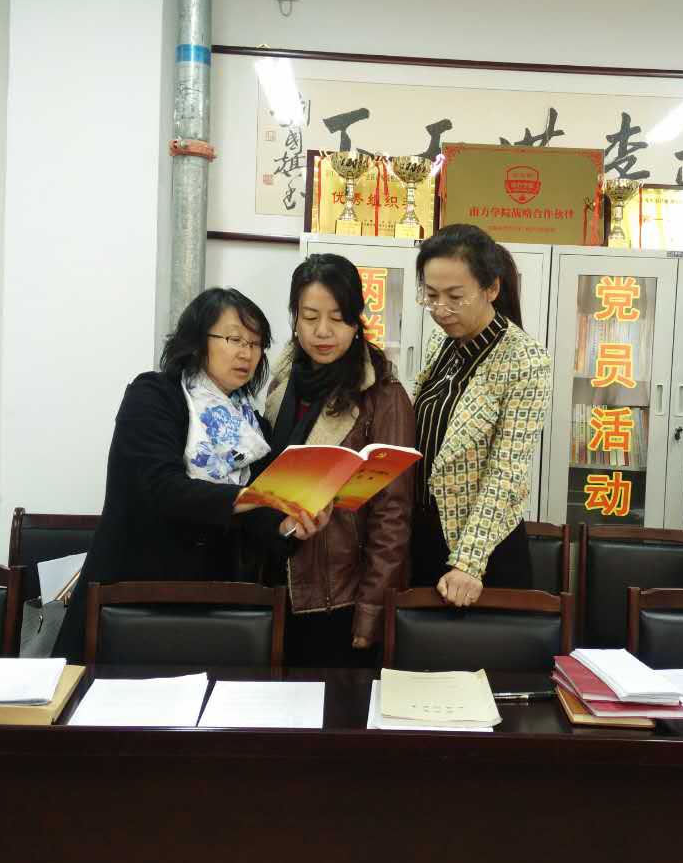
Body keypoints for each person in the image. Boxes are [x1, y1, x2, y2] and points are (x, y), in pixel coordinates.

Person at [52, 287, 325, 661]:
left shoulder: (253, 427)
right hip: (134, 598)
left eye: (255, 344)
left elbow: (257, 519)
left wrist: (287, 527)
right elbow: (160, 488)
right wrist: (250, 498)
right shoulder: (154, 396)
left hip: (218, 605)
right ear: (198, 340)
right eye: (234, 339)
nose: (246, 353)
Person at [261, 254, 416, 666]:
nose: (323, 331)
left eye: (337, 318)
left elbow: (392, 516)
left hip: (340, 596)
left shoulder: (383, 395)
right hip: (276, 584)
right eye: (310, 317)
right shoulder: (282, 381)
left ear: (356, 320)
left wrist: (371, 612)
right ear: (295, 318)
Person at [410, 223, 552, 606]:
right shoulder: (441, 344)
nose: (441, 310)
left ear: (491, 288)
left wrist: (469, 562)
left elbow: (506, 471)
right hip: (423, 534)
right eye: (431, 295)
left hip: (481, 551)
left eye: (456, 296)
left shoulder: (524, 360)